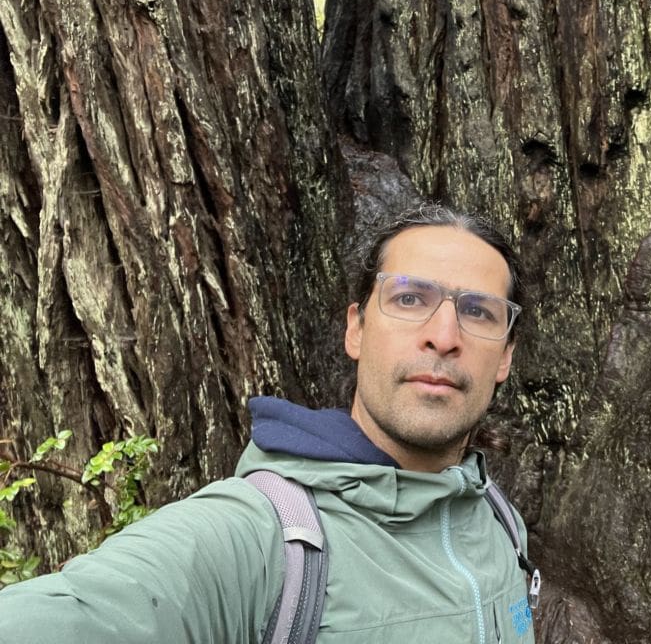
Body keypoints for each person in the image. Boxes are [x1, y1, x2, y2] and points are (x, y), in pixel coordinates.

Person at [0, 204, 537, 643]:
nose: (443, 335)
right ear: (356, 329)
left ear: (506, 356)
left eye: (478, 311)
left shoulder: (497, 521)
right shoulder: (261, 542)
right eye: (409, 298)